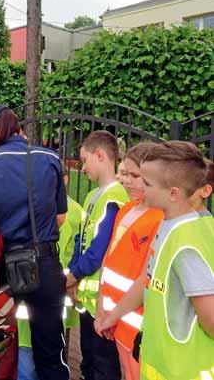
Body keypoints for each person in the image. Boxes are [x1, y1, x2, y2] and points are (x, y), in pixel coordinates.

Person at [0, 105, 69, 380]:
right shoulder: (49, 157)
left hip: (3, 266)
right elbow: (60, 217)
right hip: (45, 264)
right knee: (51, 351)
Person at [97, 141, 214, 380]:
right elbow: (147, 280)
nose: (140, 187)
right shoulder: (170, 224)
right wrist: (112, 316)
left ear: (173, 193)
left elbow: (210, 318)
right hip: (160, 365)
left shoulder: (187, 241)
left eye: (147, 183)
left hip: (182, 370)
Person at [96, 142, 164, 380]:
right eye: (125, 174)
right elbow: (108, 261)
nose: (126, 181)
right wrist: (101, 311)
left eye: (135, 175)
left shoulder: (160, 219)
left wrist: (109, 317)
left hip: (137, 325)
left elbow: (146, 276)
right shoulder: (125, 210)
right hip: (115, 320)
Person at [66, 130, 129, 380]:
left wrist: (74, 274)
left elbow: (100, 248)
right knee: (87, 361)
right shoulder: (92, 195)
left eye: (84, 160)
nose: (82, 168)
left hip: (103, 302)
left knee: (104, 368)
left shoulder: (115, 196)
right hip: (87, 297)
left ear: (100, 155)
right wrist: (73, 273)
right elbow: (82, 239)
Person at [16, 163, 85, 380]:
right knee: (27, 363)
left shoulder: (75, 213)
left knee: (50, 357)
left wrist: (72, 280)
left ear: (64, 180)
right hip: (28, 297)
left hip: (57, 294)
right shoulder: (26, 206)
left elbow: (80, 251)